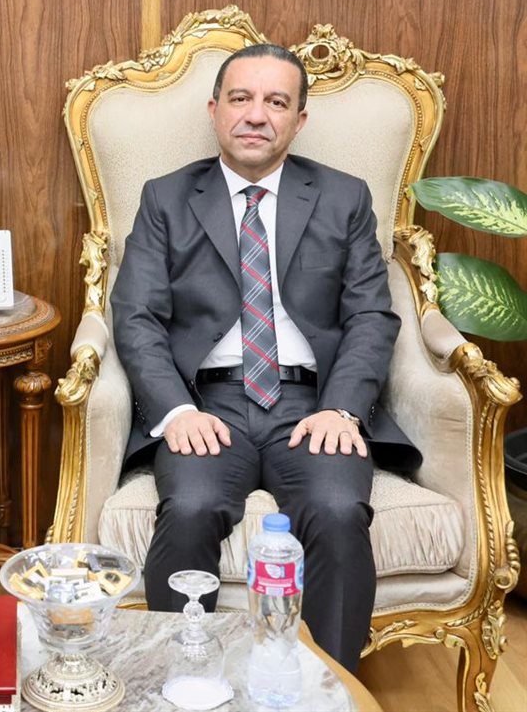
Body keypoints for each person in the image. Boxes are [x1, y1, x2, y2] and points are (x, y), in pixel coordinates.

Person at [110, 43, 420, 672]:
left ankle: (330, 685)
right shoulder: (166, 197)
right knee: (190, 509)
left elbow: (370, 315)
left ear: (298, 120)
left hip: (313, 405)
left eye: (276, 102)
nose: (256, 115)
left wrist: (342, 409)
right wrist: (176, 412)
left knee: (337, 511)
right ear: (214, 110)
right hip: (207, 405)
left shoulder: (344, 197)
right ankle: (185, 679)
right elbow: (136, 315)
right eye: (241, 98)